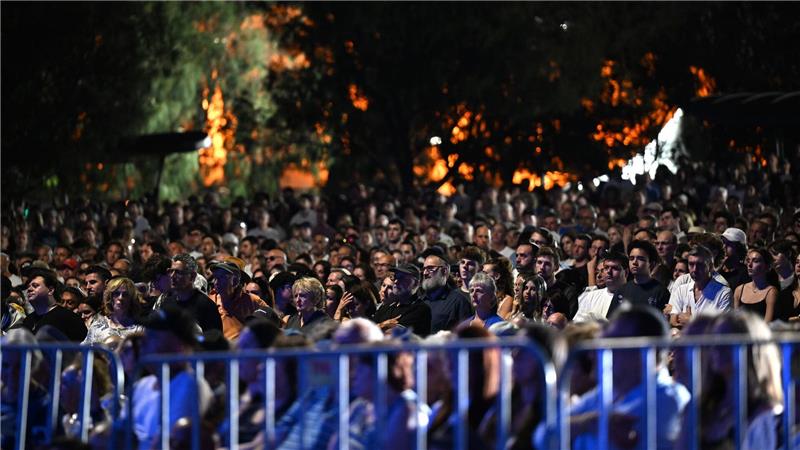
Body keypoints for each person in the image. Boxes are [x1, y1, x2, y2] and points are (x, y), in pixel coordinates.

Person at [542, 304, 690, 450]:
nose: (596, 353)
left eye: (613, 342)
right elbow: (542, 436)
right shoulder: (608, 391)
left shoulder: (669, 399)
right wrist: (587, 423)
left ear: (646, 349)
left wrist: (575, 426)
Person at [692, 311, 784, 450]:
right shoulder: (708, 402)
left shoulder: (765, 412)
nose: (715, 348)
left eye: (725, 341)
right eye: (714, 340)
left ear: (752, 350)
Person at [131, 305, 213, 450]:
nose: (143, 342)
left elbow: (167, 443)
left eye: (153, 336)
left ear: (178, 345)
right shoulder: (143, 385)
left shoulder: (190, 385)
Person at [208, 261, 277, 341]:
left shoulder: (252, 301)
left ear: (235, 281)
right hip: (222, 350)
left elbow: (273, 319)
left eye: (222, 278)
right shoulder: (210, 301)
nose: (216, 282)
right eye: (215, 278)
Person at [667, 245, 732, 328]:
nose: (694, 269)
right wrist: (704, 324)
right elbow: (673, 321)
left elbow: (721, 328)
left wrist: (690, 320)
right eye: (691, 264)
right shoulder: (681, 289)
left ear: (711, 267)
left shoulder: (724, 293)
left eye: (700, 265)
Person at [157, 253, 222, 334]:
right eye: (171, 271)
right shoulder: (166, 303)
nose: (172, 276)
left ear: (192, 276)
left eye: (178, 272)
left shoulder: (207, 306)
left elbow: (215, 342)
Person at [22, 269, 87, 341]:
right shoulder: (27, 320)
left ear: (50, 290)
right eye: (28, 286)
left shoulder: (68, 318)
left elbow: (82, 347)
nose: (29, 289)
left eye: (35, 286)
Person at [420, 250, 473, 334]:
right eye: (424, 269)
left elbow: (466, 337)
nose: (425, 273)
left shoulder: (459, 302)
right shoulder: (420, 301)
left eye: (430, 269)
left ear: (444, 271)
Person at [372, 264, 432, 336]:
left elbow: (393, 335)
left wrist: (379, 327)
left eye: (402, 278)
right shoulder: (387, 306)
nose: (396, 281)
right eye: (395, 277)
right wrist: (383, 325)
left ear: (416, 283)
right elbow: (367, 331)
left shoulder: (420, 309)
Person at [82, 277, 144, 346]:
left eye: (125, 295)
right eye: (116, 294)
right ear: (110, 298)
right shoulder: (97, 326)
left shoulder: (139, 329)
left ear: (131, 300)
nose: (120, 298)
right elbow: (84, 351)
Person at [572, 251, 630, 323]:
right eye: (606, 268)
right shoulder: (590, 297)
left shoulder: (634, 296)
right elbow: (577, 324)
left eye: (614, 268)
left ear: (626, 273)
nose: (609, 271)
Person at [620, 239, 671, 311]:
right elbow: (612, 320)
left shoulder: (661, 292)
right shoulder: (621, 290)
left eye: (640, 259)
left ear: (651, 264)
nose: (634, 262)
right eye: (631, 258)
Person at [732, 248, 778, 322]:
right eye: (748, 260)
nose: (749, 265)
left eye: (755, 261)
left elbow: (767, 324)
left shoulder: (771, 292)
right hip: (741, 332)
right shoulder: (739, 290)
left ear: (767, 266)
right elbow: (735, 322)